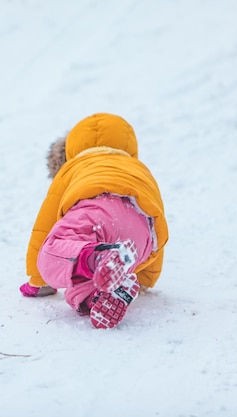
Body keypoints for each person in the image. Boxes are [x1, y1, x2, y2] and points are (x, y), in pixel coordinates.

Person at [19, 113, 168, 329]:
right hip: (139, 236)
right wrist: (146, 277)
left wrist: (38, 279)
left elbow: (45, 225)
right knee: (82, 283)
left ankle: (97, 258)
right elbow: (156, 216)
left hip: (96, 215)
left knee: (51, 253)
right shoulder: (139, 170)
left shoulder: (72, 168)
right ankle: (104, 295)